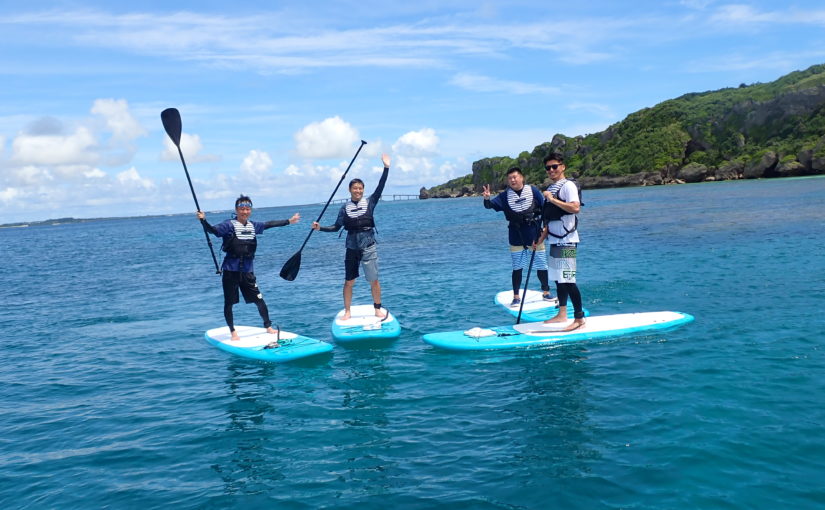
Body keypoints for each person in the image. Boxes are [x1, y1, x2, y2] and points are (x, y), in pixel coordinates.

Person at [197, 195, 300, 344]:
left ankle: (268, 326)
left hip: (247, 271)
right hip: (230, 271)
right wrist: (203, 220)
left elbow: (269, 224)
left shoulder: (253, 225)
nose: (244, 211)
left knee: (259, 300)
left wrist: (289, 221)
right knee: (229, 303)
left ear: (250, 210)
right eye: (241, 209)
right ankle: (232, 331)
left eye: (247, 209)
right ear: (236, 210)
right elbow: (213, 231)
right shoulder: (229, 225)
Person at [312, 154, 391, 320]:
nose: (358, 190)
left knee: (374, 280)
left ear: (363, 189)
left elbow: (380, 186)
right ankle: (348, 311)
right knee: (349, 282)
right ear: (350, 190)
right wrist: (320, 228)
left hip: (369, 245)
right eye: (355, 188)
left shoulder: (370, 202)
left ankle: (377, 308)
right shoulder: (344, 208)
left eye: (360, 188)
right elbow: (336, 228)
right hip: (351, 248)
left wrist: (386, 168)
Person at [482, 167, 553, 306]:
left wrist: (545, 227)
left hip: (535, 235)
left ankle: (546, 292)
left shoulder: (532, 191)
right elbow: (490, 205)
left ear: (521, 178)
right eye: (510, 178)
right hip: (516, 235)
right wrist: (486, 198)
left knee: (541, 265)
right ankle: (516, 296)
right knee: (517, 267)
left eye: (515, 177)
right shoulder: (504, 196)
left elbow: (545, 209)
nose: (512, 180)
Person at [538, 152, 585, 331]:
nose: (551, 170)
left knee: (568, 280)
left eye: (554, 166)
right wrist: (540, 240)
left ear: (562, 167)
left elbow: (575, 207)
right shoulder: (553, 187)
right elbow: (549, 221)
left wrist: (552, 199)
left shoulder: (568, 186)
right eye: (548, 168)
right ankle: (562, 314)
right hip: (554, 241)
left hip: (567, 241)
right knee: (559, 280)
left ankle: (579, 318)